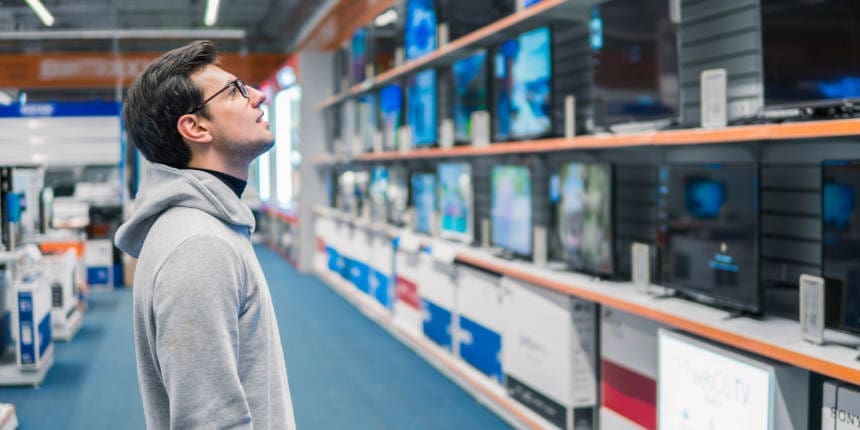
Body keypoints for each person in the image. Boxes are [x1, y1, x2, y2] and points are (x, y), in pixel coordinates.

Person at [115, 40, 296, 429]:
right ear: (195, 127)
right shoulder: (199, 246)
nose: (259, 95)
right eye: (234, 90)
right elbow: (211, 421)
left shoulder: (206, 227)